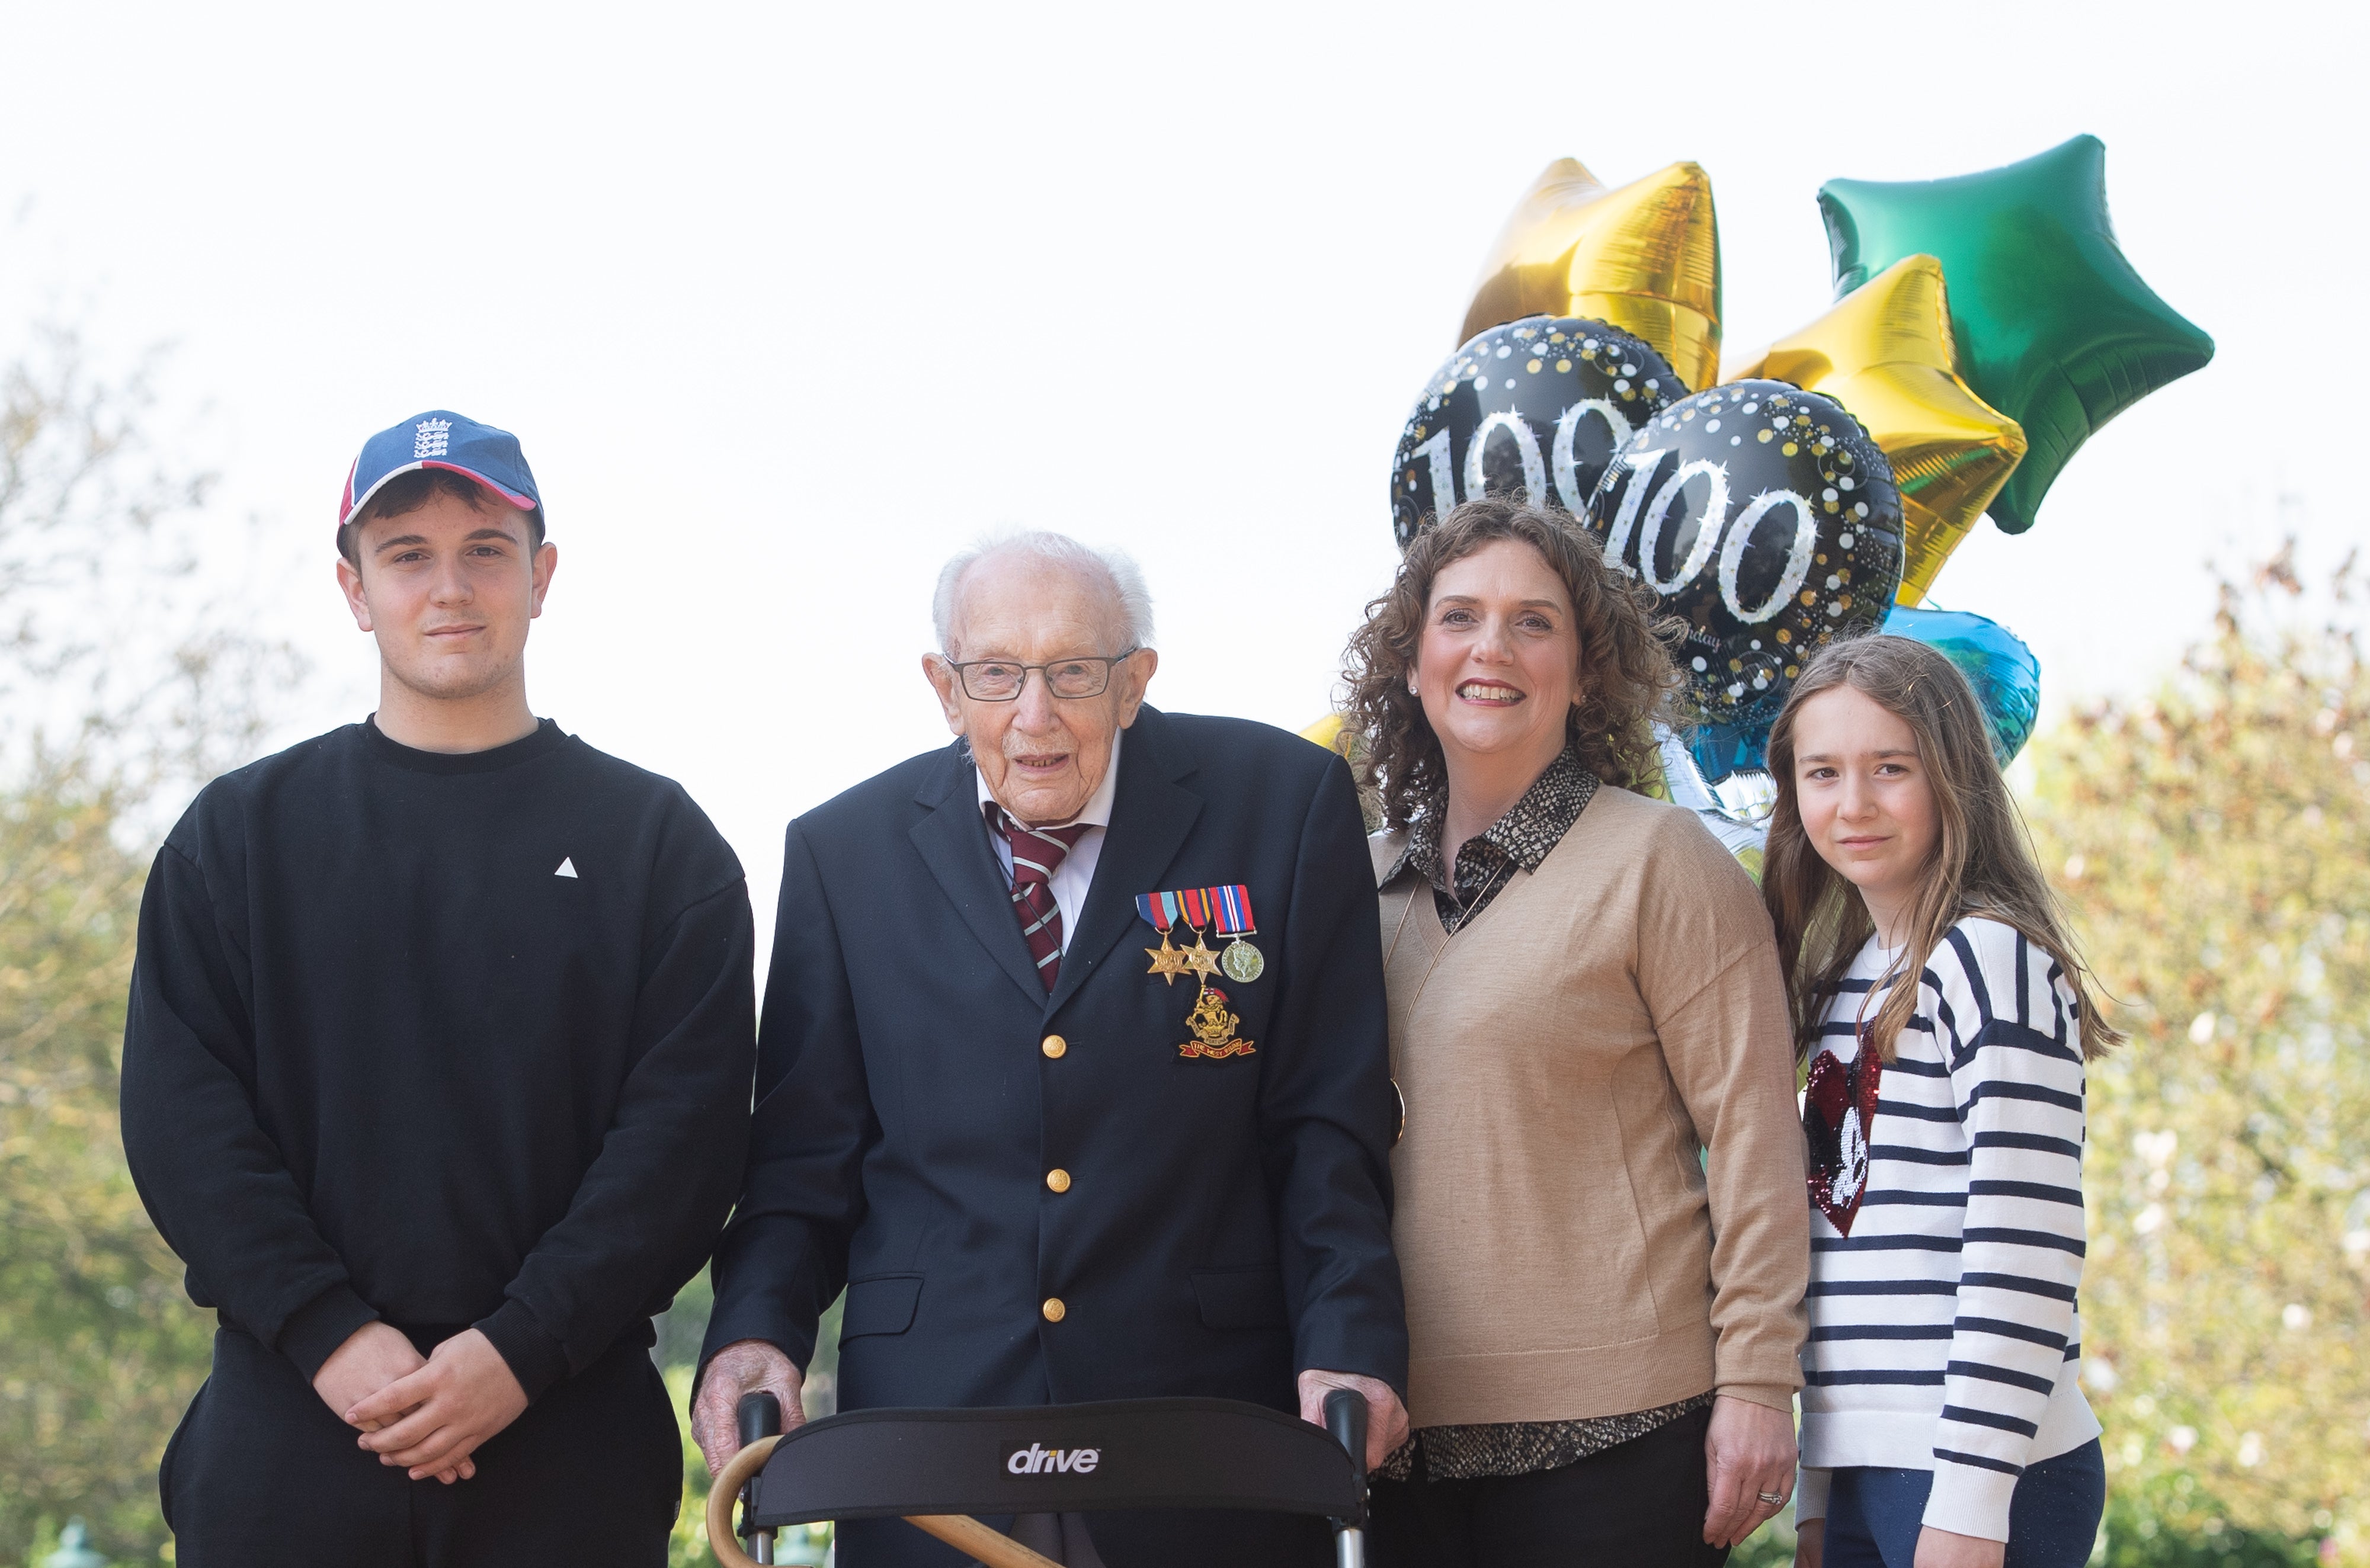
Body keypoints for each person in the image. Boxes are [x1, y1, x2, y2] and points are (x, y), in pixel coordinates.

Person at [693, 530, 1408, 1567]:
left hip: (1200, 1424)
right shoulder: (843, 854)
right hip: (933, 1439)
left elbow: (1325, 1124)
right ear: (945, 688)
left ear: (1136, 682)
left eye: (1075, 671)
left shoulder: (1284, 805)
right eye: (996, 675)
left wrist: (1350, 1340)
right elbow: (804, 1162)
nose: (1036, 715)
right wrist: (756, 1332)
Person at [120, 412, 756, 1567]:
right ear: (355, 588)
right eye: (406, 552)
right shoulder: (240, 838)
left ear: (541, 575)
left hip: (566, 1439)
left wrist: (518, 1348)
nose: (448, 585)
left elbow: (684, 1141)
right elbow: (184, 1123)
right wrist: (332, 1335)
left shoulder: (658, 845)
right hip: (294, 1432)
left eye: (485, 549)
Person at [1341, 498, 1810, 1567]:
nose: (1491, 648)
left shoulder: (1662, 861)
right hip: (1397, 1450)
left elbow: (1754, 1139)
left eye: (1534, 623)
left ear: (1589, 670)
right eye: (1458, 617)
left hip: (1626, 1442)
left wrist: (1758, 1385)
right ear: (1412, 663)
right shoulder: (1353, 882)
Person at [1763, 636, 2117, 1568]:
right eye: (1823, 773)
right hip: (1865, 1473)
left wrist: (1969, 1502)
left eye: (1891, 769)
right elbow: (1839, 1254)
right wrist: (1817, 1493)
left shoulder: (1989, 960)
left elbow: (2023, 1245)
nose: (1855, 804)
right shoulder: (1848, 982)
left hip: (1981, 1478)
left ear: (1955, 776)